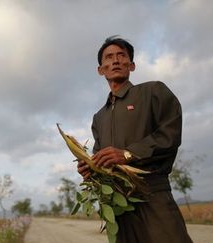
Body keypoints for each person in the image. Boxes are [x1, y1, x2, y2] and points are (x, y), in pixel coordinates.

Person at [77, 36, 193, 243]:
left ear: (131, 65)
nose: (115, 60)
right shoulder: (98, 117)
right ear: (101, 69)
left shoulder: (153, 92)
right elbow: (100, 157)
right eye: (109, 57)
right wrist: (91, 169)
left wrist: (128, 154)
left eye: (122, 55)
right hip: (119, 205)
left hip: (153, 194)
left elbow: (170, 134)